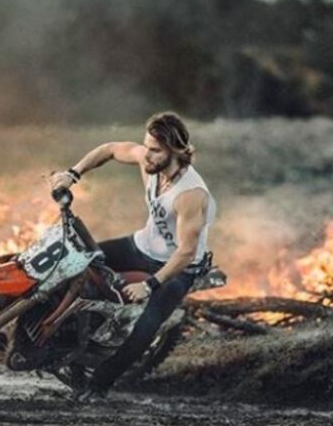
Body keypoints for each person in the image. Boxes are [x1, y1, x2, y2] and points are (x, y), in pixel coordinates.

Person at [50, 111, 216, 398]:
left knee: (146, 327)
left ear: (175, 150)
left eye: (155, 150)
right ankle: (64, 340)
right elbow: (111, 149)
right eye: (146, 146)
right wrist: (73, 173)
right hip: (141, 245)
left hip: (177, 266)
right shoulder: (149, 163)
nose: (146, 155)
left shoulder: (191, 195)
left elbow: (186, 252)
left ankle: (98, 386)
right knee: (78, 261)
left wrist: (149, 285)